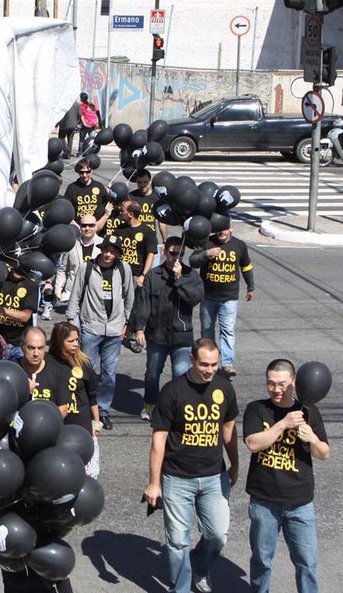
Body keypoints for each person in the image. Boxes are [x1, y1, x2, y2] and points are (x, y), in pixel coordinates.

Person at [143, 338, 239, 593]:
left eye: (214, 365)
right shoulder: (172, 391)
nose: (209, 370)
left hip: (213, 477)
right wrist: (154, 483)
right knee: (177, 542)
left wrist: (235, 466)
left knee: (218, 535)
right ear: (192, 361)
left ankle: (200, 566)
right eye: (204, 364)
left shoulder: (224, 388)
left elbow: (229, 430)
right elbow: (159, 439)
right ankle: (181, 588)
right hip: (176, 478)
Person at [244, 359, 329, 593]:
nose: (276, 389)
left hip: (300, 503)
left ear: (293, 381)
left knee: (307, 563)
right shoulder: (257, 409)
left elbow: (324, 453)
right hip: (264, 500)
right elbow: (252, 443)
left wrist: (311, 438)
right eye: (270, 384)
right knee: (262, 561)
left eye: (281, 384)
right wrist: (282, 424)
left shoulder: (310, 411)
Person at [65, 235, 134, 430]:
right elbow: (76, 294)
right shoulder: (87, 268)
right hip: (91, 328)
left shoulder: (124, 269)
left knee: (109, 374)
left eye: (112, 251)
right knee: (85, 371)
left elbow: (130, 295)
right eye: (105, 250)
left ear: (118, 254)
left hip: (114, 330)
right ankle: (85, 409)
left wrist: (127, 321)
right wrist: (71, 319)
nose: (108, 254)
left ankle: (102, 412)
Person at [135, 237, 204, 421]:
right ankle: (150, 404)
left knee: (180, 375)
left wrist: (179, 278)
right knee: (152, 374)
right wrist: (139, 328)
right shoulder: (153, 275)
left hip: (181, 335)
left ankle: (178, 409)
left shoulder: (190, 275)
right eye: (173, 253)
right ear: (165, 252)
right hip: (156, 335)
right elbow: (144, 303)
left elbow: (194, 299)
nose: (176, 258)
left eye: (180, 254)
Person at [189, 226, 255, 377]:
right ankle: (208, 361)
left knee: (227, 331)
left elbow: (246, 266)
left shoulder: (239, 245)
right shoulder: (207, 242)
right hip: (208, 297)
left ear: (231, 228)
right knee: (207, 331)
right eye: (219, 229)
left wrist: (250, 287)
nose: (222, 232)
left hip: (229, 298)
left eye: (225, 229)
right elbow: (193, 261)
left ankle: (227, 364)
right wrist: (206, 253)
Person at [49, 322, 101, 477]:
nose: (75, 344)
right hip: (61, 424)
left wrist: (96, 422)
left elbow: (92, 396)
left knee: (88, 473)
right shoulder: (49, 363)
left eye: (77, 340)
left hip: (82, 423)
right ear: (59, 341)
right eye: (70, 341)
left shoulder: (84, 362)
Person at [114, 200, 158, 353]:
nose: (121, 213)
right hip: (118, 273)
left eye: (123, 211)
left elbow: (150, 254)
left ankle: (133, 335)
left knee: (135, 306)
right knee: (117, 302)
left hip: (135, 274)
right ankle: (116, 331)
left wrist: (143, 275)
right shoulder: (119, 229)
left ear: (131, 214)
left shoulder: (147, 231)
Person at [19, 327, 74, 416]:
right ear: (22, 347)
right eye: (31, 348)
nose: (36, 354)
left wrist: (44, 424)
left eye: (40, 348)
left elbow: (63, 408)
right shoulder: (13, 371)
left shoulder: (58, 371)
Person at [0, 266, 38, 361]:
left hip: (20, 343)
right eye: (16, 267)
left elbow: (25, 316)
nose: (19, 271)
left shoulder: (31, 285)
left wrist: (1, 310)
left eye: (22, 269)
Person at [55, 214, 101, 311]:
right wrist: (58, 289)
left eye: (90, 225)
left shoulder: (103, 245)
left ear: (96, 227)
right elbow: (62, 268)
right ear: (80, 227)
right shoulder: (71, 244)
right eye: (84, 225)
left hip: (95, 294)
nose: (87, 228)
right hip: (73, 293)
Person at [63, 159, 113, 224]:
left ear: (92, 171)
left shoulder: (99, 186)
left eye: (87, 172)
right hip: (78, 224)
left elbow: (108, 205)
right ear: (78, 172)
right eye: (81, 172)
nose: (84, 175)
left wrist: (110, 194)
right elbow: (67, 210)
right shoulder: (72, 188)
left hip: (96, 224)